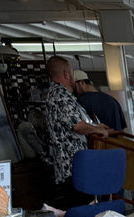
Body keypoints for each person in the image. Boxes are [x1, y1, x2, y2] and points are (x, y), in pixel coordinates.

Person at [44, 55, 111, 207]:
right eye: (72, 72)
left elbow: (74, 122)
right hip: (72, 166)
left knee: (85, 204)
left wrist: (96, 126)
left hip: (75, 165)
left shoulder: (59, 95)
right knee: (84, 208)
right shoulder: (60, 95)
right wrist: (98, 129)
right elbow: (77, 126)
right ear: (66, 74)